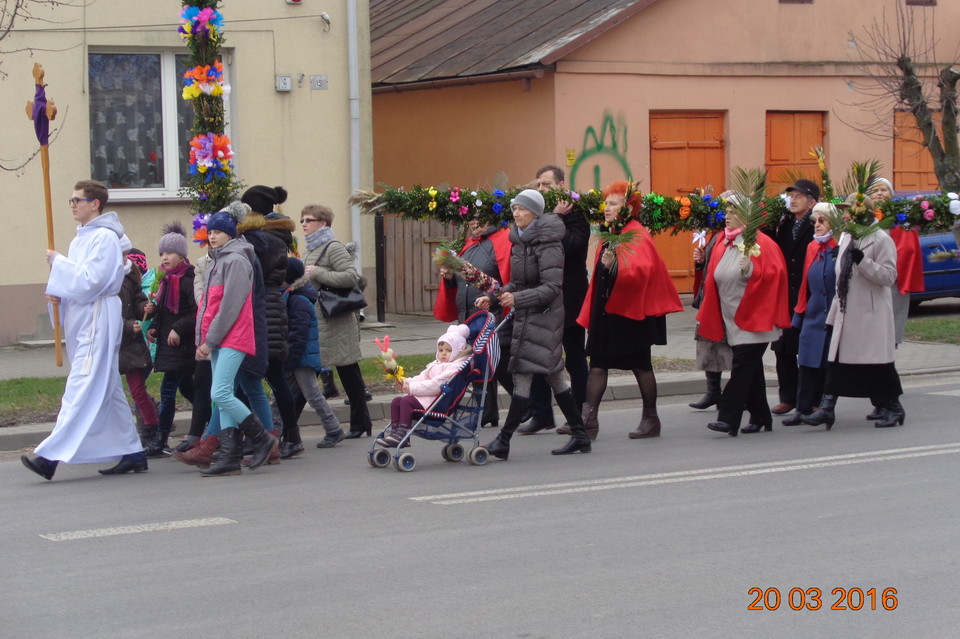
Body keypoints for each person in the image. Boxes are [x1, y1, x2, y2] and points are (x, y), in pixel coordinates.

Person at [22, 180, 146, 479]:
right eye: (71, 200)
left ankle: (49, 456)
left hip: (97, 318)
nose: (73, 205)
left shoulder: (103, 237)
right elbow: (75, 283)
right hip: (83, 317)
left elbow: (92, 281)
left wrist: (59, 264)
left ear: (95, 204)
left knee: (82, 384)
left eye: (78, 200)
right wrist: (58, 292)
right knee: (108, 389)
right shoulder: (81, 238)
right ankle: (133, 452)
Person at [477, 189, 591, 458]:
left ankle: (503, 440)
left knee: (524, 375)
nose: (516, 213)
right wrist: (494, 298)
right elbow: (519, 282)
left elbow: (552, 287)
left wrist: (515, 298)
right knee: (554, 377)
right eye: (514, 208)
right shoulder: (520, 241)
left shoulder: (549, 242)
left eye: (522, 209)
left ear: (535, 213)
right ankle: (581, 435)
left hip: (547, 315)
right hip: (528, 314)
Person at [576, 181, 683, 440]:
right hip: (607, 312)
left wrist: (614, 266)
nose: (607, 208)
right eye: (606, 203)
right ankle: (588, 420)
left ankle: (651, 418)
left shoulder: (636, 233)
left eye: (613, 203)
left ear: (628, 208)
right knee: (598, 365)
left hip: (631, 315)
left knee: (641, 366)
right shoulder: (611, 232)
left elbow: (640, 272)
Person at [802, 193, 904, 429]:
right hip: (847, 311)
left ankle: (894, 407)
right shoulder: (847, 235)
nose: (845, 215)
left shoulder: (880, 239)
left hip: (871, 314)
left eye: (849, 211)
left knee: (879, 365)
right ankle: (827, 409)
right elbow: (841, 280)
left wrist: (863, 261)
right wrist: (833, 315)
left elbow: (889, 277)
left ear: (862, 214)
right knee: (836, 362)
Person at [697, 196, 791, 437]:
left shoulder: (761, 243)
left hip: (755, 318)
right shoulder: (723, 241)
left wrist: (752, 269)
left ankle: (728, 418)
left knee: (741, 367)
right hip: (732, 318)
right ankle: (761, 416)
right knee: (751, 368)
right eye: (726, 210)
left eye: (733, 210)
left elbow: (775, 275)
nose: (727, 214)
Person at [195, 209, 277, 476]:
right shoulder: (218, 260)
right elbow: (209, 304)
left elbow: (230, 307)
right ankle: (229, 456)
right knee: (224, 395)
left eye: (217, 231)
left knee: (219, 393)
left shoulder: (236, 261)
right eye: (210, 232)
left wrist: (210, 339)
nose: (212, 236)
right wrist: (205, 338)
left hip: (234, 336)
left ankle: (262, 438)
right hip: (221, 338)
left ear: (230, 233)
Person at [519, 165, 590, 435]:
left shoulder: (576, 215)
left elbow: (568, 248)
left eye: (546, 185)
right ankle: (541, 414)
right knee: (539, 356)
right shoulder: (539, 217)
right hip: (543, 297)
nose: (541, 189)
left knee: (574, 360)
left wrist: (556, 219)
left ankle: (579, 416)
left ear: (561, 186)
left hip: (569, 297)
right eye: (538, 185)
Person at [434, 213, 513, 428]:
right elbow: (462, 279)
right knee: (477, 363)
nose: (474, 223)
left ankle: (527, 404)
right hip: (468, 314)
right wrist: (450, 277)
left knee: (499, 363)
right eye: (471, 220)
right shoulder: (468, 245)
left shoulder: (501, 240)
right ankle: (486, 413)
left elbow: (505, 277)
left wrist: (494, 300)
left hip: (491, 313)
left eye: (479, 219)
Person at [301, 204, 374, 438]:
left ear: (323, 223)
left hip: (337, 320)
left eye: (308, 220)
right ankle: (360, 423)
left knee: (348, 372)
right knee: (336, 371)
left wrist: (318, 273)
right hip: (321, 319)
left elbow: (351, 277)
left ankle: (359, 423)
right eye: (302, 220)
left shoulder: (333, 247)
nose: (303, 224)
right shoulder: (310, 249)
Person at [239, 185, 298, 447]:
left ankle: (285, 436)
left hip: (264, 311)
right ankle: (275, 435)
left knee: (271, 377)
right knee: (258, 378)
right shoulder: (271, 238)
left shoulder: (265, 240)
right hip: (267, 308)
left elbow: (253, 275)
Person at [143, 222, 196, 456]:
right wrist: (153, 325)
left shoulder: (186, 280)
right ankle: (206, 426)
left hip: (182, 346)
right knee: (188, 389)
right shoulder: (165, 281)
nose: (164, 258)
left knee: (168, 391)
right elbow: (164, 310)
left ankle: (161, 438)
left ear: (182, 255)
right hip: (170, 347)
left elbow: (197, 311)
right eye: (161, 253)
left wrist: (177, 329)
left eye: (169, 253)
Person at [782, 203, 838, 426]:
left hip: (833, 315)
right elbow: (805, 283)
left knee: (827, 365)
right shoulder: (813, 247)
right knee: (805, 362)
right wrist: (798, 315)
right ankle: (802, 408)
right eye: (815, 221)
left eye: (822, 221)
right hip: (812, 314)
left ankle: (825, 408)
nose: (817, 225)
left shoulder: (839, 247)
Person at [282, 257, 344, 456]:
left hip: (302, 357)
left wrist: (291, 359)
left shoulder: (298, 299)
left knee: (312, 394)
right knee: (285, 396)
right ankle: (277, 431)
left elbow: (299, 334)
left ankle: (334, 429)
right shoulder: (294, 295)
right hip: (299, 356)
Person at [377, 324, 473, 447]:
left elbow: (435, 385)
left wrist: (411, 389)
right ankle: (395, 432)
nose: (443, 353)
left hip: (435, 403)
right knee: (396, 401)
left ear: (458, 352)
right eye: (441, 350)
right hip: (424, 399)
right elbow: (421, 378)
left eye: (449, 351)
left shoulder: (454, 368)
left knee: (406, 401)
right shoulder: (436, 364)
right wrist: (406, 382)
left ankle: (403, 434)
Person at [769, 178, 818, 416]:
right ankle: (788, 396)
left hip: (808, 293)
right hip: (785, 294)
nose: (793, 200)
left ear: (812, 202)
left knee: (809, 348)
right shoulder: (785, 223)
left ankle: (814, 398)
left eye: (799, 196)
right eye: (791, 196)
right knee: (782, 347)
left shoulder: (817, 223)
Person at [688, 193, 733, 411]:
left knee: (729, 348)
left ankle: (737, 394)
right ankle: (713, 391)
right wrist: (701, 261)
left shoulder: (735, 235)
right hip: (710, 297)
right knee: (708, 344)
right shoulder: (717, 234)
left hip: (726, 299)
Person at [117, 236, 160, 450]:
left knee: (137, 390)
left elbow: (139, 300)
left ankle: (151, 430)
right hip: (114, 344)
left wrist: (146, 308)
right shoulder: (106, 279)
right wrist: (126, 325)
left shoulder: (130, 278)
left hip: (132, 346)